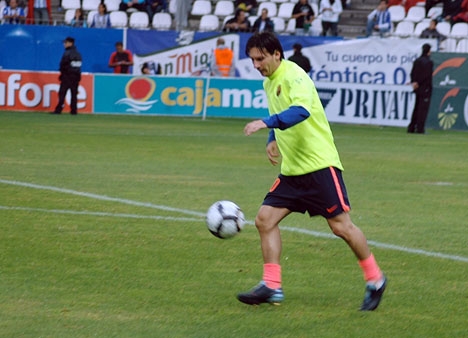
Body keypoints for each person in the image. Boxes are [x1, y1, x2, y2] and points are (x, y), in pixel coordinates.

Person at [237, 32, 387, 311]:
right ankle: (272, 285)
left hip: (319, 166)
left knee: (341, 227)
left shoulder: (295, 76)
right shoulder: (270, 81)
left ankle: (375, 279)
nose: (256, 65)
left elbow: (301, 110)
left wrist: (265, 123)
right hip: (292, 170)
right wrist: (273, 139)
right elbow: (282, 109)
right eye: (252, 60)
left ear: (276, 54)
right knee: (264, 220)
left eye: (260, 59)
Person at [51, 37, 82, 115]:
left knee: (62, 93)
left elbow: (63, 65)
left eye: (66, 42)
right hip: (76, 77)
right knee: (74, 94)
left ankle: (59, 109)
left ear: (70, 43)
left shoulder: (67, 53)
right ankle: (74, 110)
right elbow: (78, 66)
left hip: (67, 76)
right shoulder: (78, 54)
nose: (64, 44)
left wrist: (62, 74)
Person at [407, 43, 433, 134]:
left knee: (416, 108)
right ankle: (420, 128)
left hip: (417, 88)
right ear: (429, 51)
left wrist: (414, 82)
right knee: (423, 110)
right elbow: (427, 76)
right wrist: (420, 83)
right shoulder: (429, 62)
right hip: (425, 88)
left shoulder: (417, 61)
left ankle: (411, 127)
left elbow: (413, 73)